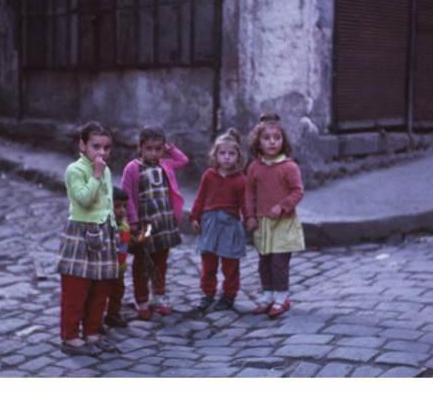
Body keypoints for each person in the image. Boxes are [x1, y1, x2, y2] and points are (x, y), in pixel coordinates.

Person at [56, 121, 119, 355]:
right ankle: (70, 337)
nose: (102, 153)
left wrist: (114, 227)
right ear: (82, 145)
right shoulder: (75, 170)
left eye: (107, 148)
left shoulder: (106, 170)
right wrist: (95, 175)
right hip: (81, 232)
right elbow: (84, 200)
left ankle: (92, 333)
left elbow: (108, 202)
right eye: (96, 147)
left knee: (100, 287)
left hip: (103, 233)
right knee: (76, 288)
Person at [121, 125, 188, 320]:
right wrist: (132, 220)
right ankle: (141, 299)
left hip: (164, 222)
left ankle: (159, 296)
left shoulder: (164, 164)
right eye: (149, 148)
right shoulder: (132, 168)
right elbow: (127, 197)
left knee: (161, 261)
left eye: (158, 148)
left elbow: (183, 160)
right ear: (140, 147)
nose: (154, 153)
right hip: (145, 225)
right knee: (142, 261)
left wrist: (170, 148)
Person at [245, 113, 306, 318]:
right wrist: (250, 216)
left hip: (283, 223)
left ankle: (282, 297)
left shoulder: (289, 167)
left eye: (277, 137)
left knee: (279, 262)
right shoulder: (254, 167)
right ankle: (268, 294)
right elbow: (249, 192)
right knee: (265, 261)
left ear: (283, 141)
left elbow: (297, 191)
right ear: (258, 142)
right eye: (267, 138)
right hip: (263, 222)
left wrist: (283, 206)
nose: (272, 142)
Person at [190, 128, 247, 312]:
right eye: (223, 153)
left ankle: (229, 294)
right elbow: (200, 197)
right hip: (209, 223)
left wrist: (249, 219)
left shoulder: (240, 180)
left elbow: (244, 203)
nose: (227, 157)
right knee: (208, 263)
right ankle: (208, 293)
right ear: (215, 155)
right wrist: (195, 217)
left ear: (238, 157)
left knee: (230, 263)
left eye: (231, 153)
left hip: (229, 224)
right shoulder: (209, 176)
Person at [104, 186, 131, 328]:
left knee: (118, 292)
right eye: (117, 207)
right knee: (102, 294)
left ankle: (113, 314)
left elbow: (127, 245)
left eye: (125, 207)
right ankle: (96, 319)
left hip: (120, 268)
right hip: (106, 269)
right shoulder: (107, 226)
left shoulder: (125, 226)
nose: (122, 210)